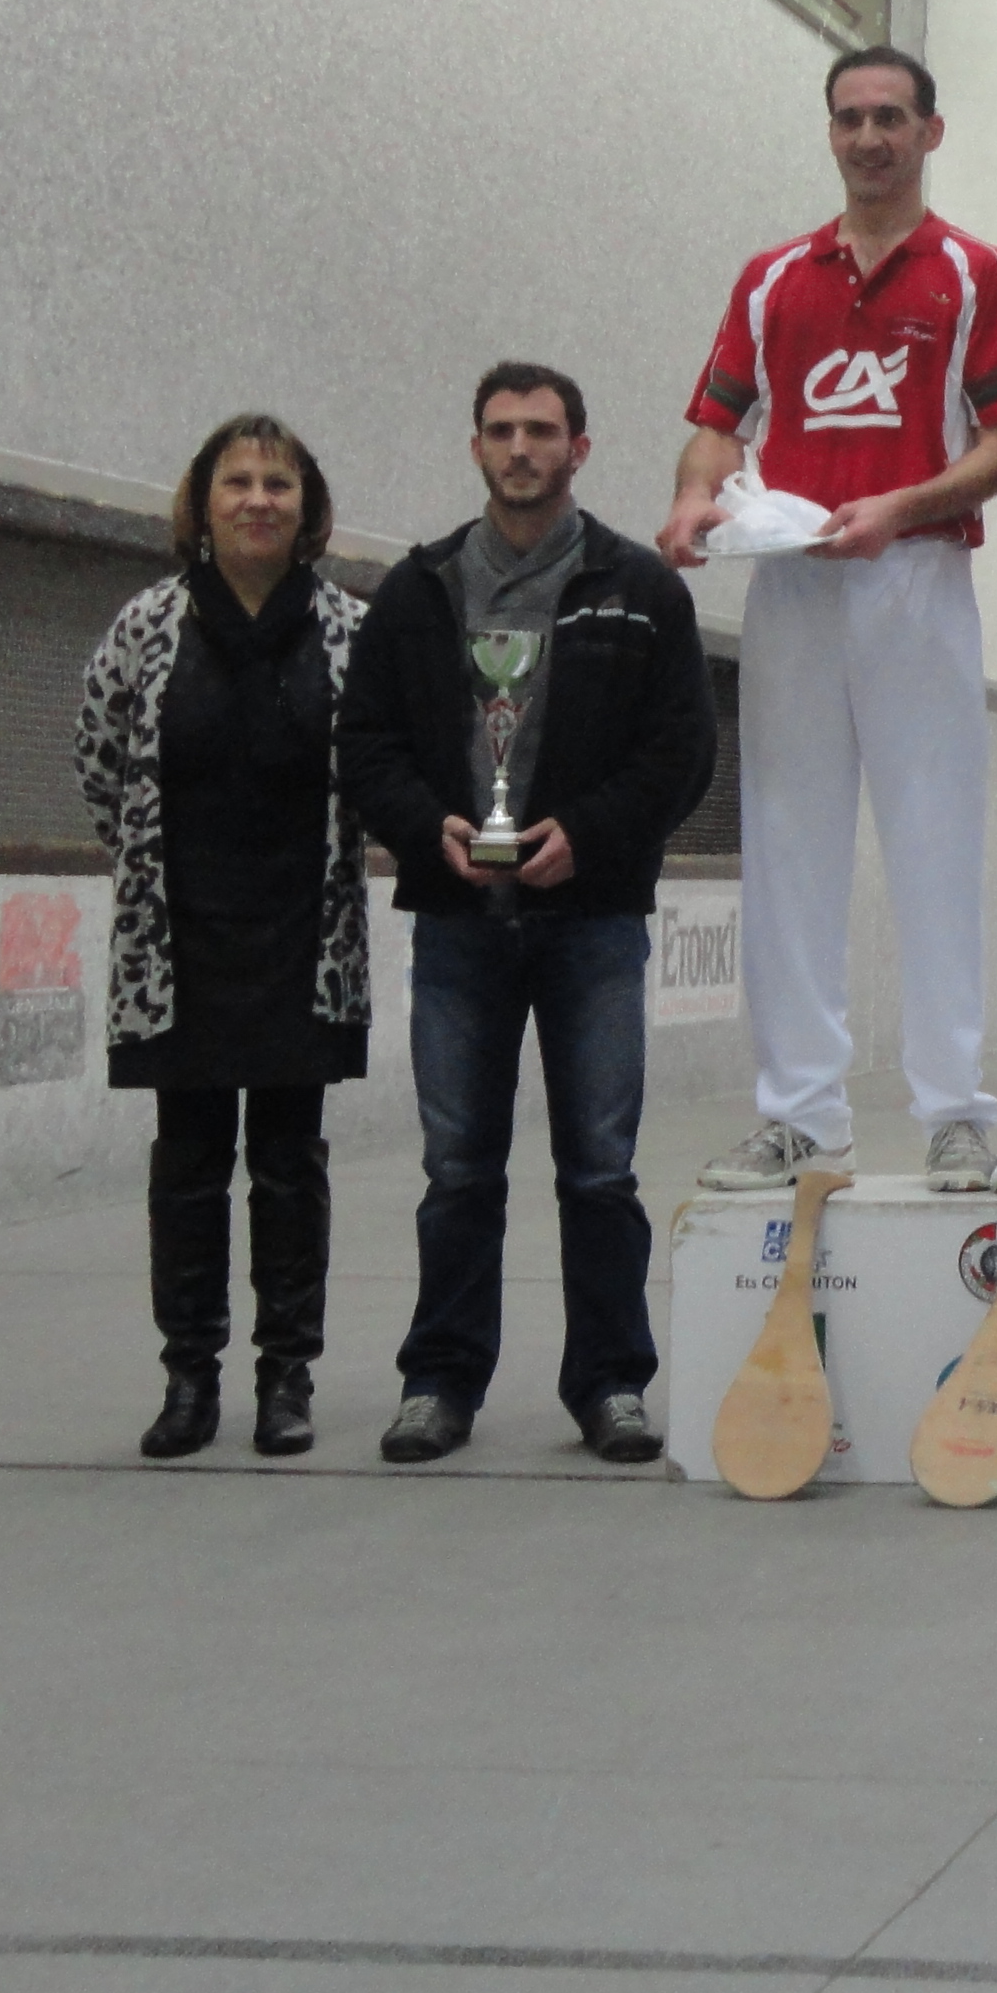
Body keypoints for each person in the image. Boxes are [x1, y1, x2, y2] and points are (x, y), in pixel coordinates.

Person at [662, 45, 997, 1196]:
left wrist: (901, 508)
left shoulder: (974, 271)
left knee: (935, 845)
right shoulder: (773, 277)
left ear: (931, 132)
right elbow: (718, 424)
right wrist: (693, 496)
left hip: (916, 577)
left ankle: (955, 1116)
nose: (869, 137)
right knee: (788, 845)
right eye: (850, 118)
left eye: (891, 117)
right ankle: (800, 1119)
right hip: (792, 583)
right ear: (830, 131)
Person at [337, 364, 716, 1467]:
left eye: (541, 431)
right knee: (458, 1169)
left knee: (600, 1168)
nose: (520, 448)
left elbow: (681, 753)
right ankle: (439, 1382)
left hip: (593, 923)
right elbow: (366, 746)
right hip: (459, 923)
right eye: (500, 430)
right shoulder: (418, 590)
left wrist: (586, 836)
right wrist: (430, 831)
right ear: (475, 448)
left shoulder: (641, 589)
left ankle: (611, 1385)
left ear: (579, 449)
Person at [75, 413, 371, 1461]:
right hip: (179, 947)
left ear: (307, 507)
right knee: (189, 1167)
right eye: (238, 482)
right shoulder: (146, 623)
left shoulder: (352, 630)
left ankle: (286, 1379)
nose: (258, 500)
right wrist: (150, 869)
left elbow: (381, 765)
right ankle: (188, 1381)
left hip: (304, 941)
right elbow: (99, 758)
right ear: (202, 504)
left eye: (278, 484)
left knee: (291, 1167)